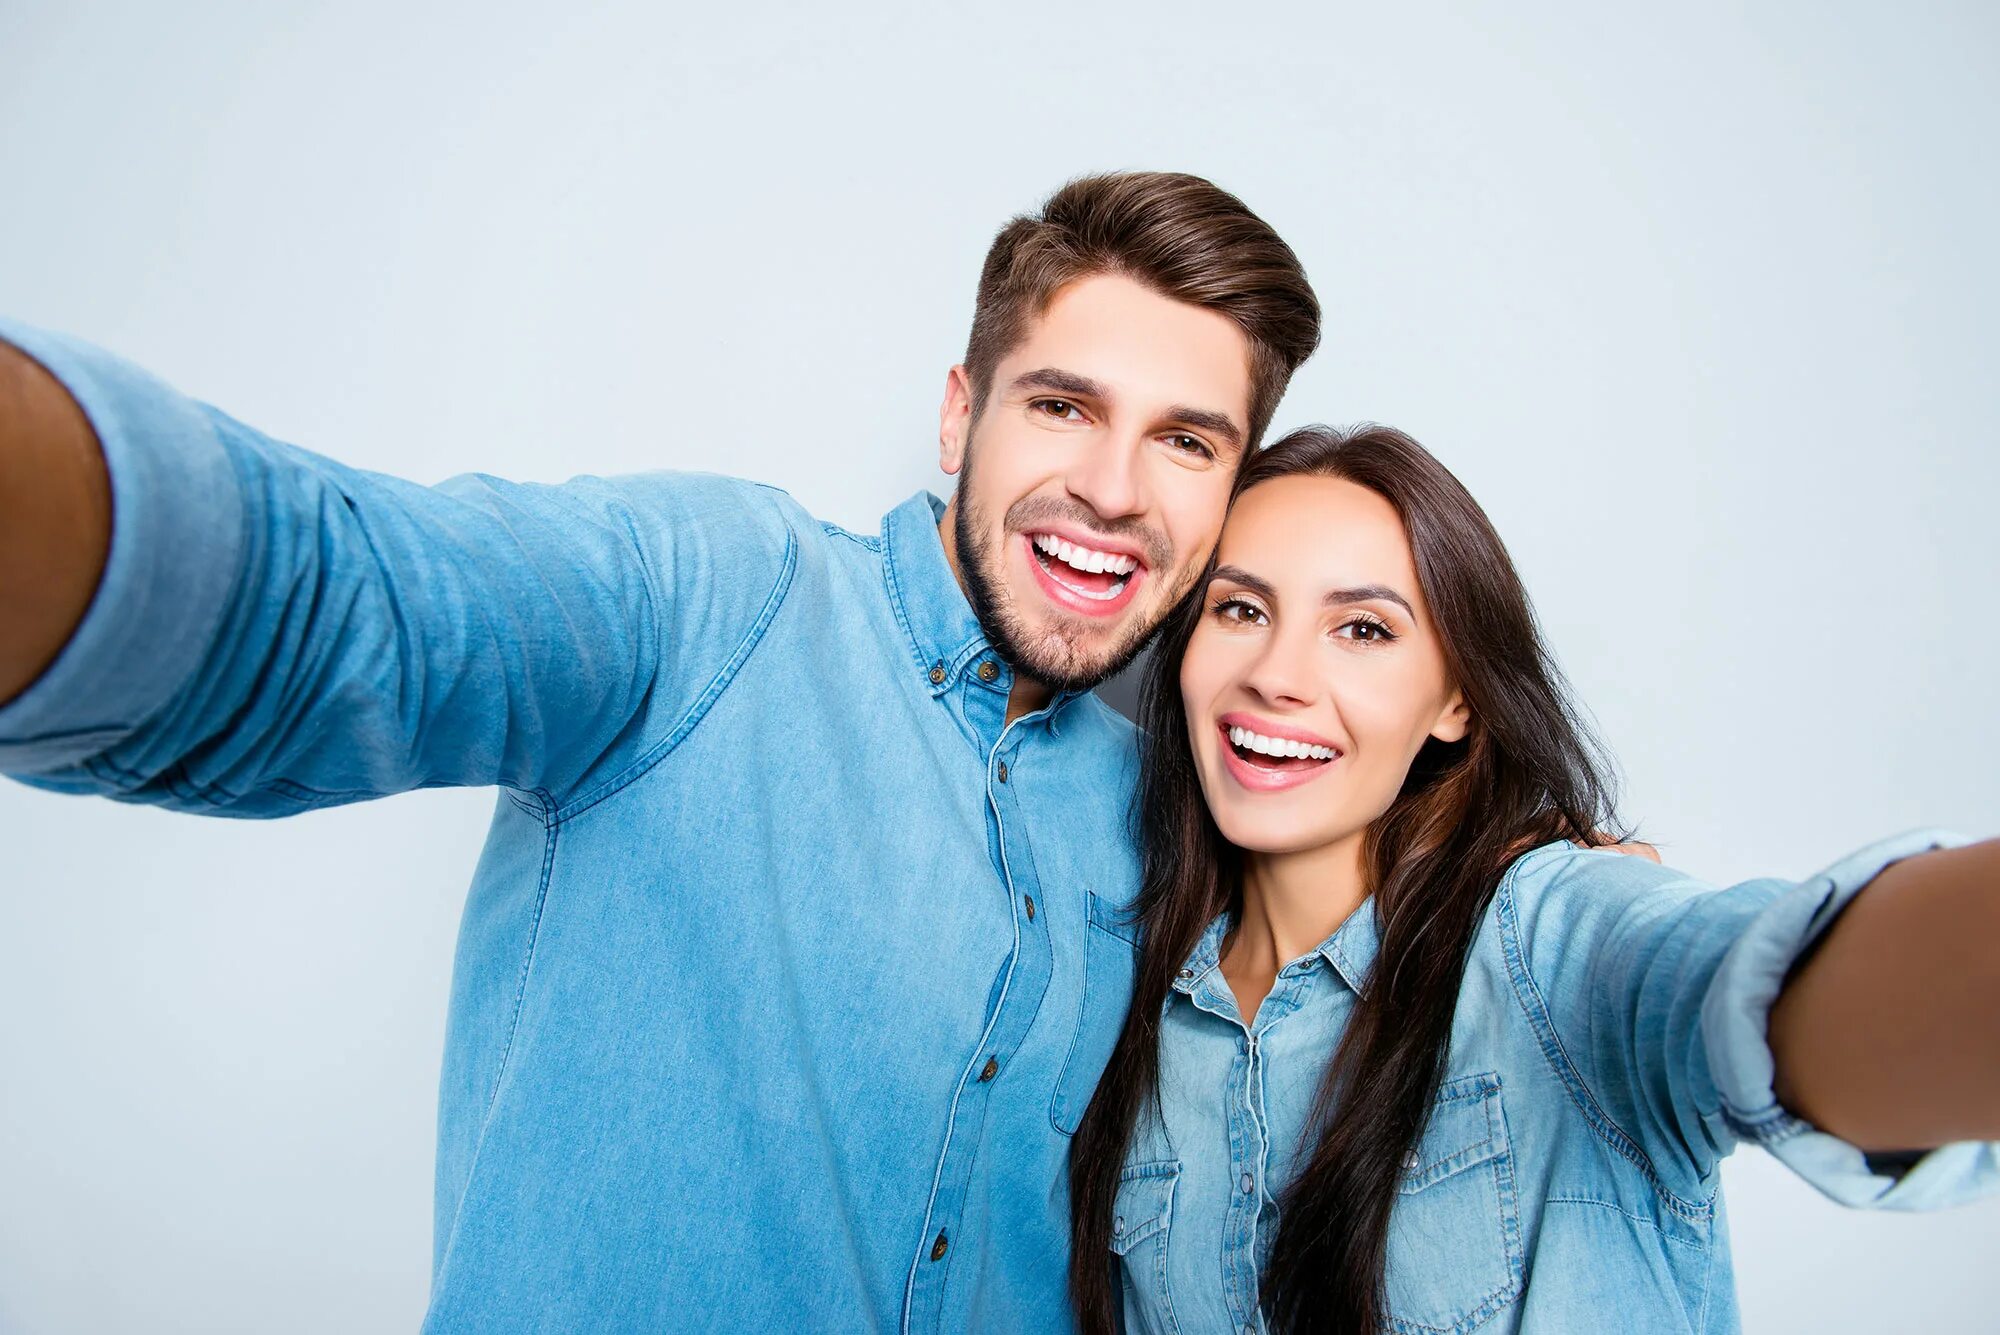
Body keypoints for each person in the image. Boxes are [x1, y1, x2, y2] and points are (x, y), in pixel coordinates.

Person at [0, 173, 1323, 1332]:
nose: (1112, 487)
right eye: (1062, 406)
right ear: (957, 416)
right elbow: (337, 594)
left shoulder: (1178, 807)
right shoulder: (717, 599)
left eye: (1187, 441)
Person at [1068, 423, 2000, 1334]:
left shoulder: (1549, 936)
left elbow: (1754, 984)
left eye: (1362, 628)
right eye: (1241, 609)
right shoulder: (1135, 1001)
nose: (1278, 675)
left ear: (1457, 700)